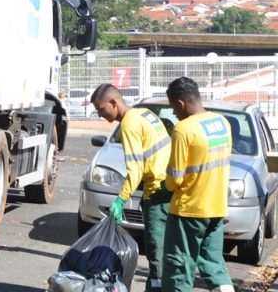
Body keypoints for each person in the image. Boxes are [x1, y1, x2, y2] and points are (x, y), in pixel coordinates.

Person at [90, 84, 171, 291]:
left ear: (114, 102)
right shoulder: (144, 113)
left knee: (156, 253)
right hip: (169, 188)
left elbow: (135, 169)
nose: (100, 114)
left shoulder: (129, 124)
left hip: (157, 192)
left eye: (101, 109)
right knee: (166, 253)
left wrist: (120, 200)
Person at [162, 77, 234, 292]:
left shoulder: (183, 129)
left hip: (188, 210)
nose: (173, 113)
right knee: (214, 265)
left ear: (181, 103)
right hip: (216, 207)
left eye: (173, 107)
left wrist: (165, 186)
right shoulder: (222, 122)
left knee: (179, 268)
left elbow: (175, 178)